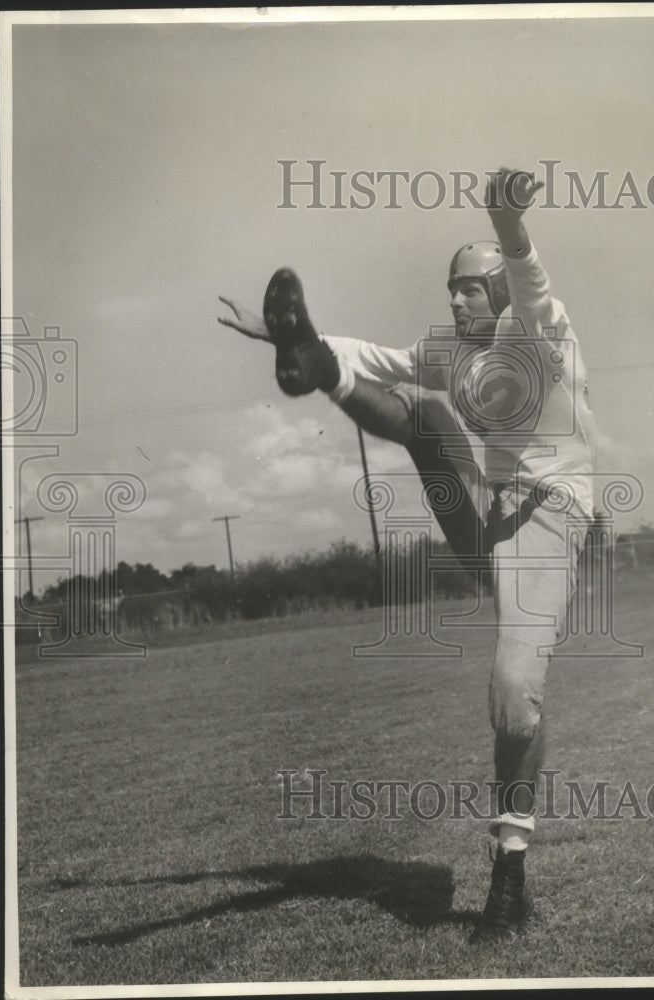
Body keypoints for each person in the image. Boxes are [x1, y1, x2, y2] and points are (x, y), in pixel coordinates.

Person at [219, 166, 597, 943]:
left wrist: (507, 225)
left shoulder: (541, 334)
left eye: (468, 288)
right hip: (490, 510)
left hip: (549, 519)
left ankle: (509, 869)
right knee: (423, 416)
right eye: (450, 287)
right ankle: (310, 371)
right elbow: (381, 355)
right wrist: (308, 345)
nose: (454, 299)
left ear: (496, 296)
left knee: (514, 694)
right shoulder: (448, 352)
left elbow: (530, 283)